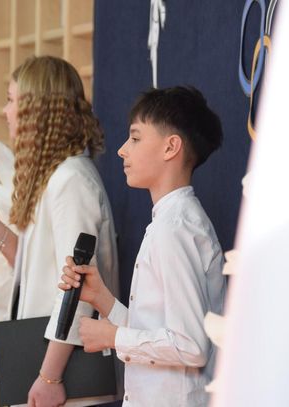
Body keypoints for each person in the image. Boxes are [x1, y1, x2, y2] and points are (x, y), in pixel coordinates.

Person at [0, 55, 119, 406]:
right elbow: (41, 274)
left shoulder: (71, 181)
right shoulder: (56, 177)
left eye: (12, 100)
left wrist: (50, 377)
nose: (5, 112)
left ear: (37, 110)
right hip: (47, 365)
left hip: (67, 377)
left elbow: (77, 290)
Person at [60, 86, 226, 406]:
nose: (122, 150)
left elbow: (190, 345)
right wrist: (102, 299)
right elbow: (159, 331)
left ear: (170, 147)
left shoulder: (175, 228)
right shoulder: (170, 221)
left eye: (135, 138)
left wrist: (113, 337)